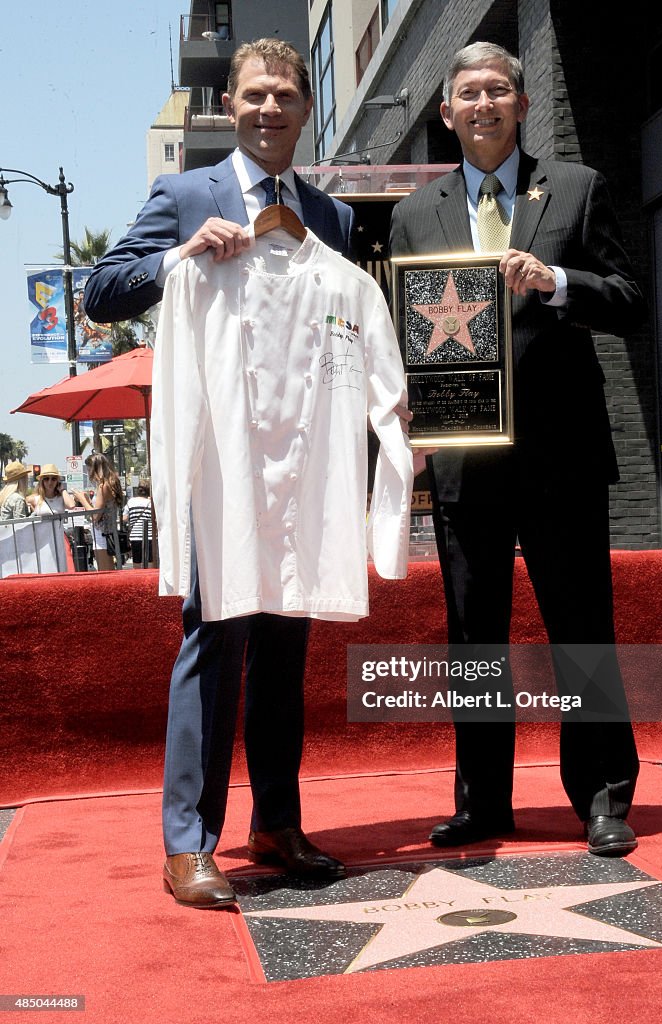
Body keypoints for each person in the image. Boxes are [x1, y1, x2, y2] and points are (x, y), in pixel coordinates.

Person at [84, 39, 365, 909]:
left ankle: (275, 821)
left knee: (287, 642)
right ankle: (186, 841)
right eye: (253, 95)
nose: (269, 108)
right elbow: (101, 290)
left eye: (285, 93)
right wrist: (176, 258)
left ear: (306, 109)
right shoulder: (183, 195)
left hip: (300, 461)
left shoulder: (332, 216)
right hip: (221, 464)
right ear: (230, 108)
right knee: (216, 635)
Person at [390, 41, 645, 857]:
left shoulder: (575, 188)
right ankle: (482, 801)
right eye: (468, 93)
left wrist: (558, 283)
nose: (483, 103)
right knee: (474, 638)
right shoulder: (413, 214)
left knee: (581, 629)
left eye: (498, 89)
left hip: (563, 455)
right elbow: (409, 331)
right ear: (446, 112)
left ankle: (603, 796)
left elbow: (629, 300)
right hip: (466, 459)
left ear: (523, 104)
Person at [72, 453, 124, 571]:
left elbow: (95, 515)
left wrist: (82, 500)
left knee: (105, 571)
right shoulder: (108, 484)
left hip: (103, 533)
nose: (88, 471)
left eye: (89, 468)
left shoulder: (103, 486)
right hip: (105, 532)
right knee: (107, 571)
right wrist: (88, 501)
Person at [123, 482, 153, 567]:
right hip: (150, 535)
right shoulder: (151, 503)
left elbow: (124, 518)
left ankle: (138, 580)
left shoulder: (131, 502)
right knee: (151, 562)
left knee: (137, 562)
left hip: (135, 536)